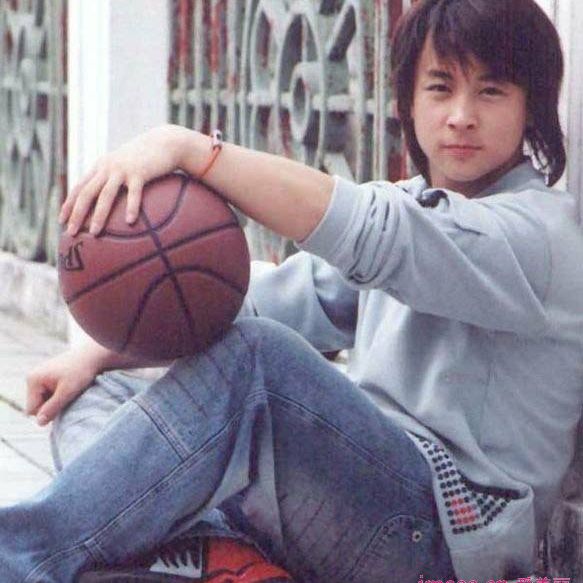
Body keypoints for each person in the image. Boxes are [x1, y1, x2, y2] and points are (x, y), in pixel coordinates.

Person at [2, 0, 583, 581]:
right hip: (350, 500)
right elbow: (259, 303)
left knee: (256, 358)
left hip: (440, 536)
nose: (460, 116)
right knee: (95, 396)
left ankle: (22, 557)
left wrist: (193, 152)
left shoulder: (541, 236)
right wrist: (96, 355)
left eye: (490, 91)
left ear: (531, 106)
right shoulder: (421, 206)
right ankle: (226, 559)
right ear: (407, 102)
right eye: (440, 87)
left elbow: (377, 234)